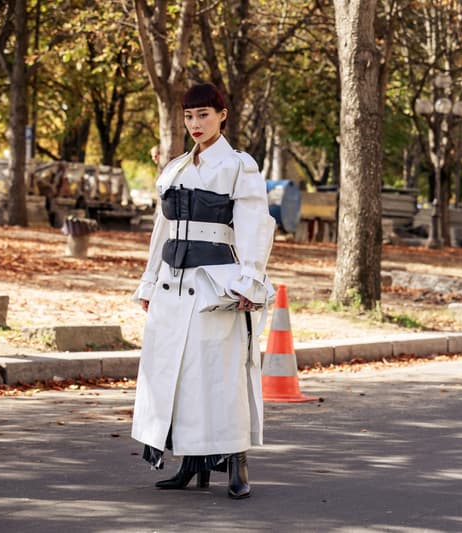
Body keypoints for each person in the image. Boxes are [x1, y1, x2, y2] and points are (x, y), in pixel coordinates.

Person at [131, 83, 275, 500]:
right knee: (175, 377)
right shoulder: (175, 167)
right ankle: (190, 463)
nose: (195, 124)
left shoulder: (238, 166)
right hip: (172, 288)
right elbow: (163, 229)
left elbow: (253, 225)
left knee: (221, 375)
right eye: (189, 116)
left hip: (216, 288)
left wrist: (250, 282)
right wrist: (147, 282)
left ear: (222, 114)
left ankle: (236, 460)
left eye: (204, 115)